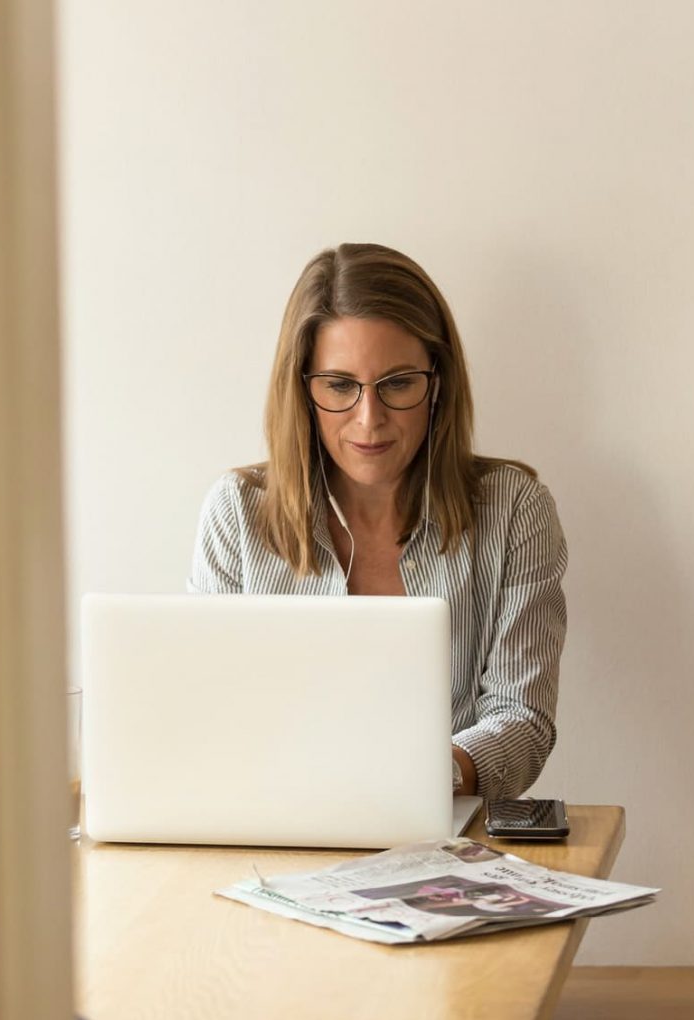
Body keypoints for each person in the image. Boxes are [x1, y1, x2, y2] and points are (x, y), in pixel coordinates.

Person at [189, 242, 567, 800]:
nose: (370, 420)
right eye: (340, 385)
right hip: (273, 831)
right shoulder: (237, 513)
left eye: (397, 383)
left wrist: (419, 779)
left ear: (436, 383)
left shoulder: (513, 509)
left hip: (447, 842)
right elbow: (210, 716)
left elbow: (523, 720)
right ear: (303, 389)